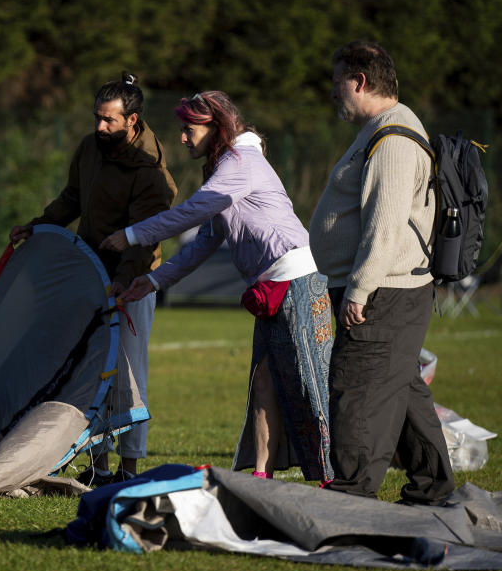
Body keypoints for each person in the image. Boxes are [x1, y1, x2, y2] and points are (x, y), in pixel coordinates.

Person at [101, 90, 334, 482]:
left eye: (189, 129)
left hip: (296, 279)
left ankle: (337, 475)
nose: (182, 138)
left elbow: (193, 211)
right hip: (270, 286)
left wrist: (132, 235)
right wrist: (155, 280)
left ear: (216, 127)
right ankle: (261, 477)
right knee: (263, 382)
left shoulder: (241, 162)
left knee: (312, 382)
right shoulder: (226, 167)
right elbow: (206, 239)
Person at [10, 72, 177, 485]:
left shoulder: (151, 170)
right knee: (90, 369)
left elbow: (144, 239)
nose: (100, 127)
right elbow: (73, 198)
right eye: (97, 118)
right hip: (89, 276)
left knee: (129, 376)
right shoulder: (90, 147)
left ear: (132, 120)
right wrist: (40, 225)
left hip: (134, 282)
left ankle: (130, 466)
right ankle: (98, 465)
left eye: (109, 121)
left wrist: (122, 284)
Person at [310, 41, 455, 504]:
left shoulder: (392, 137)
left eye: (338, 85)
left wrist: (359, 288)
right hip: (390, 290)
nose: (334, 94)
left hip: (383, 292)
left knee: (357, 391)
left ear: (360, 82)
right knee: (402, 392)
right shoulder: (382, 128)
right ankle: (433, 489)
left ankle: (352, 497)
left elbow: (385, 224)